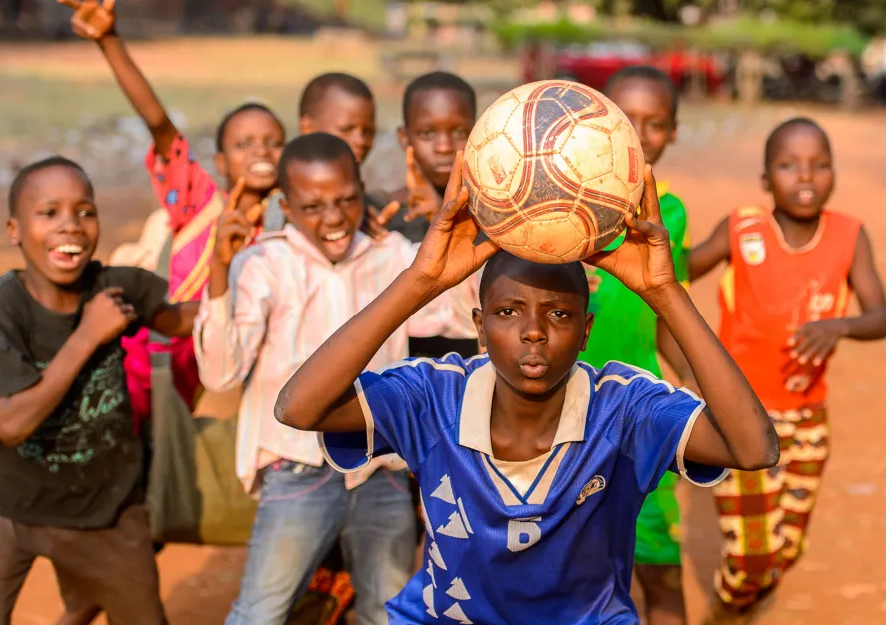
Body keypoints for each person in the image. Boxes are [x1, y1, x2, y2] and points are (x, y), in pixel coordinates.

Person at [273, 156, 781, 624]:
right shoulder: (434, 397)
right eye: (508, 312)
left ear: (585, 332)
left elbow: (754, 448)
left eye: (558, 314)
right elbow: (298, 407)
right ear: (479, 325)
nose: (533, 331)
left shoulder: (622, 407)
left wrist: (664, 293)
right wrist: (420, 280)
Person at [196, 133, 472, 625]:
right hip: (296, 470)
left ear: (362, 189)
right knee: (261, 612)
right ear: (286, 205)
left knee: (386, 612)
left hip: (381, 470)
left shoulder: (393, 258)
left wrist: (441, 228)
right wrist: (219, 269)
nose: (334, 218)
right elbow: (220, 374)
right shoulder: (261, 264)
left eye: (346, 200)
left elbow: (464, 320)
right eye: (313, 205)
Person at [0, 157, 198, 625]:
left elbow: (185, 320)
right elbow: (11, 423)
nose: (70, 226)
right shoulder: (1, 304)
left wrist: (224, 267)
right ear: (15, 230)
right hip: (6, 505)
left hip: (104, 509)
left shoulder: (119, 288)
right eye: (49, 212)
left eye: (84, 211)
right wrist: (88, 336)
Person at [687, 117, 886, 623]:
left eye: (819, 165)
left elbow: (881, 317)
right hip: (739, 420)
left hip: (807, 420)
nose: (805, 177)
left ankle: (747, 601)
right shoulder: (742, 228)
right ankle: (724, 614)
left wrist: (840, 326)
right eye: (788, 165)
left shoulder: (849, 235)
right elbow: (680, 271)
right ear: (764, 179)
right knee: (753, 556)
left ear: (834, 173)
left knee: (787, 550)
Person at [62, 0, 287, 436]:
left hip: (189, 381)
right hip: (137, 355)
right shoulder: (201, 202)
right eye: (245, 144)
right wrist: (108, 40)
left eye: (274, 143)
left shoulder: (285, 233)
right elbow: (159, 125)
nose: (261, 151)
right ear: (220, 161)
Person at [575, 65, 696, 625]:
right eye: (628, 119)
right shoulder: (561, 203)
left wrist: (692, 382)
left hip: (637, 405)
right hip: (562, 405)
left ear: (673, 132)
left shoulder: (670, 213)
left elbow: (667, 311)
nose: (641, 133)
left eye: (656, 122)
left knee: (655, 557)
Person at [384, 71, 481, 359]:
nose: (443, 146)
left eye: (459, 133)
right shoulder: (384, 215)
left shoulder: (493, 214)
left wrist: (442, 214)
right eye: (427, 133)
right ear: (404, 137)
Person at [264, 72, 401, 233]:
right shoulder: (276, 199)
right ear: (308, 128)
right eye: (346, 129)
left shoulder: (371, 207)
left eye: (369, 131)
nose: (361, 140)